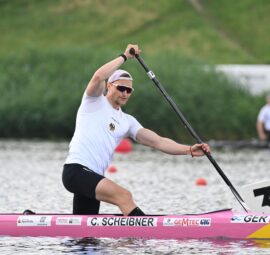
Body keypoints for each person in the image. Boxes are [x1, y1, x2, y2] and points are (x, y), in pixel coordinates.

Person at [62, 43, 210, 216]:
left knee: (85, 234)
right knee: (124, 196)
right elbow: (97, 77)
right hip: (76, 171)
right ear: (109, 86)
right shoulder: (94, 101)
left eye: (129, 90)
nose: (125, 93)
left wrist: (189, 150)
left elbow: (158, 142)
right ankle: (143, 239)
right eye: (121, 88)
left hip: (92, 177)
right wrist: (124, 56)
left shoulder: (127, 122)